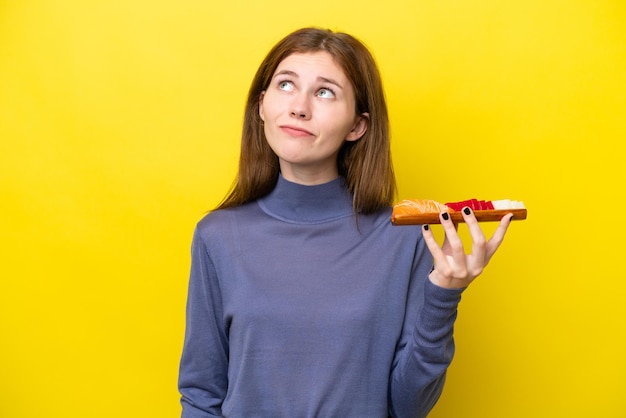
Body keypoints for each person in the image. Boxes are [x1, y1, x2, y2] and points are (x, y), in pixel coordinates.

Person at [178, 27, 513, 418]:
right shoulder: (217, 236)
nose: (299, 107)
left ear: (358, 125)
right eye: (286, 85)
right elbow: (202, 395)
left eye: (325, 92)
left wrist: (444, 293)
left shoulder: (403, 237)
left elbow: (408, 407)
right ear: (262, 105)